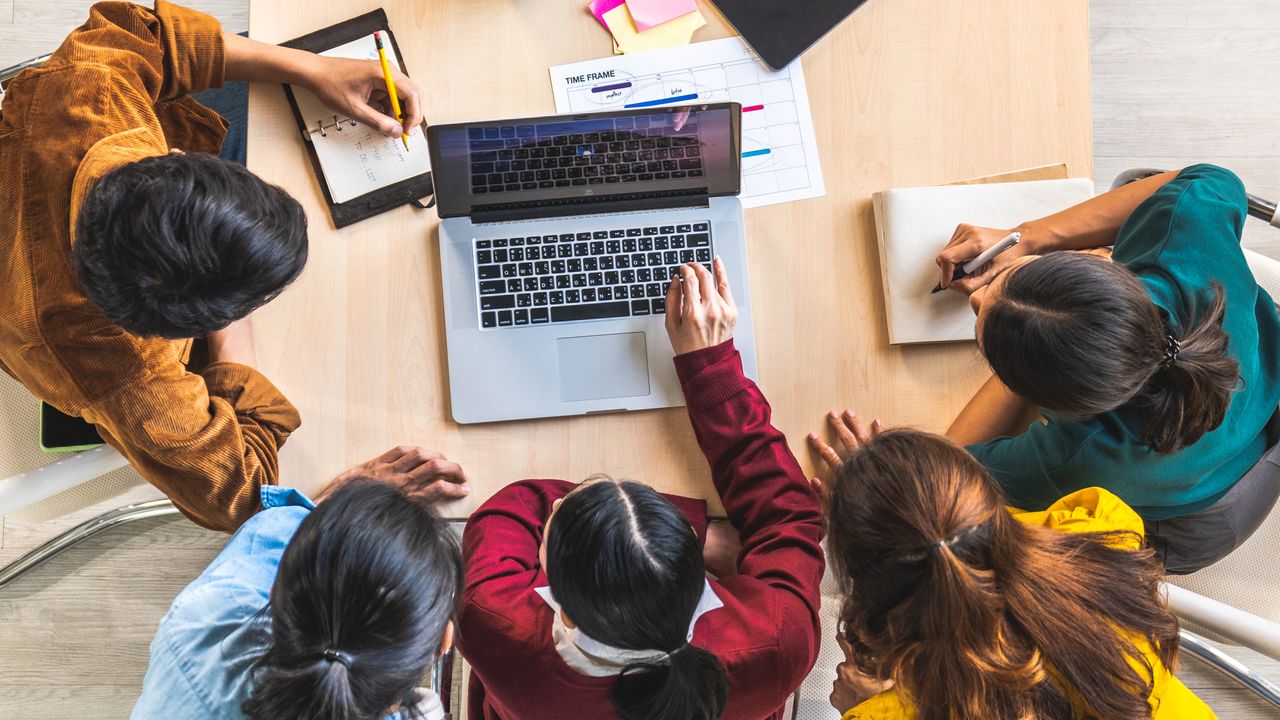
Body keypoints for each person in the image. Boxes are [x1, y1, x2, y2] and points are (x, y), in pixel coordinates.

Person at [0, 1, 424, 532]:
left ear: (177, 158)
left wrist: (315, 68)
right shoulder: (128, 375)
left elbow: (158, 37)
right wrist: (230, 325)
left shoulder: (92, 87)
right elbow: (243, 496)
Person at [457, 260, 825, 720]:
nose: (554, 504)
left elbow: (517, 505)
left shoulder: (495, 624)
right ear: (697, 576)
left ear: (564, 609)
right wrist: (710, 368)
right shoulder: (775, 643)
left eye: (556, 522)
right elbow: (789, 516)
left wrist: (698, 530)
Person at [935, 164, 1280, 572]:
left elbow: (946, 476)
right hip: (1264, 386)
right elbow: (1211, 179)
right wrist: (1028, 238)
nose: (978, 299)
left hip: (1200, 522)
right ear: (1104, 271)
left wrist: (1024, 363)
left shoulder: (1078, 460)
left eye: (979, 320)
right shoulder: (1184, 240)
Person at [806, 412, 1215, 720]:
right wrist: (913, 501)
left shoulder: (888, 711)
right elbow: (971, 543)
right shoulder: (1104, 530)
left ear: (864, 583)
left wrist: (862, 705)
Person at [130, 445, 468, 720]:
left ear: (274, 591)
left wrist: (344, 501)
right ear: (443, 643)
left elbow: (274, 530)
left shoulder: (205, 622)